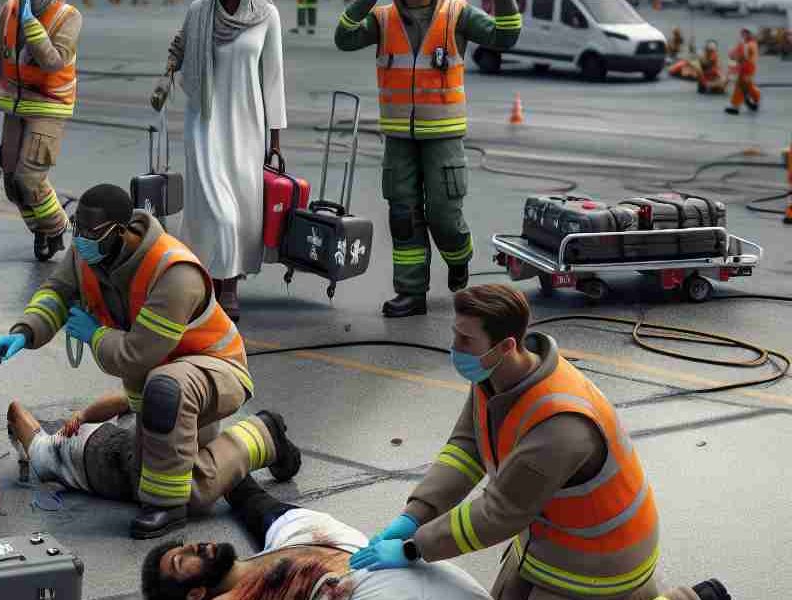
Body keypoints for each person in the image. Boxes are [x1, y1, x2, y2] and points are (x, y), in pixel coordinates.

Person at [347, 285, 720, 600]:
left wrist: (416, 548)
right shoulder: (493, 378)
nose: (455, 347)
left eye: (465, 339)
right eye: (454, 334)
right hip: (547, 538)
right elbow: (466, 448)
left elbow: (498, 513)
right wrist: (415, 515)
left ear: (506, 345)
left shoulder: (560, 425)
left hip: (599, 565)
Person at [0, 184, 270, 539]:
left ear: (122, 231)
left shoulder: (173, 271)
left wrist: (94, 336)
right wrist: (25, 332)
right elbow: (57, 292)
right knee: (158, 467)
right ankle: (262, 436)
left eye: (91, 233)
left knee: (167, 412)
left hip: (215, 371)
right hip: (164, 394)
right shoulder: (89, 253)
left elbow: (137, 354)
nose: (81, 240)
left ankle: (169, 506)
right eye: (77, 229)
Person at [335, 0, 520, 318]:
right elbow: (344, 37)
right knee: (403, 216)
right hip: (399, 137)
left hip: (443, 135)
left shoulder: (457, 14)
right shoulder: (382, 17)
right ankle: (410, 291)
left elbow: (505, 36)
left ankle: (458, 256)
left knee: (444, 214)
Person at [0, 399, 300, 518]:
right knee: (182, 455)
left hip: (112, 461)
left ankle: (262, 432)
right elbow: (128, 400)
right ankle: (251, 435)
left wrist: (22, 443)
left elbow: (16, 410)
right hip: (116, 447)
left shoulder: (43, 452)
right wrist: (89, 414)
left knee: (188, 493)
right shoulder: (50, 451)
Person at [140, 475, 496, 599]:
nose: (193, 546)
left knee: (253, 502)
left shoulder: (284, 536)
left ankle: (256, 440)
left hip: (336, 546)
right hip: (368, 588)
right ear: (196, 593)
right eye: (180, 560)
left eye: (183, 545)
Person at [152, 0, 286, 321]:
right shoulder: (199, 12)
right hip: (203, 122)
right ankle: (222, 286)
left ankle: (225, 277)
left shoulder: (266, 15)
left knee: (240, 210)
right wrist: (166, 75)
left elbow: (274, 78)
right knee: (216, 209)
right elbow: (179, 48)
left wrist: (276, 140)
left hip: (247, 126)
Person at [0, 0, 81, 260]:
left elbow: (53, 61)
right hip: (15, 104)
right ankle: (41, 228)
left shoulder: (68, 16)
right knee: (12, 183)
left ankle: (57, 226)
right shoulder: (9, 10)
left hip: (49, 105)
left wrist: (31, 25)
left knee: (29, 178)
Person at [725, 28, 760, 115]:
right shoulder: (743, 43)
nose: (744, 34)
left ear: (750, 34)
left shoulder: (751, 44)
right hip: (743, 67)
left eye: (746, 33)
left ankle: (735, 107)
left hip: (748, 68)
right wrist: (732, 55)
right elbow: (735, 53)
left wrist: (735, 57)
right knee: (747, 86)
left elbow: (746, 57)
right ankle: (756, 98)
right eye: (743, 32)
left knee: (740, 86)